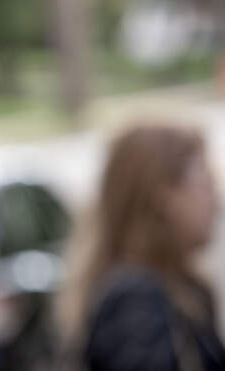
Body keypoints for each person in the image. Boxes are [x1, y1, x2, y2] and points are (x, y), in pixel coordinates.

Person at [57, 122, 225, 371]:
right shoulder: (135, 302)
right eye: (205, 184)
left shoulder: (178, 286)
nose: (217, 202)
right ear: (163, 197)